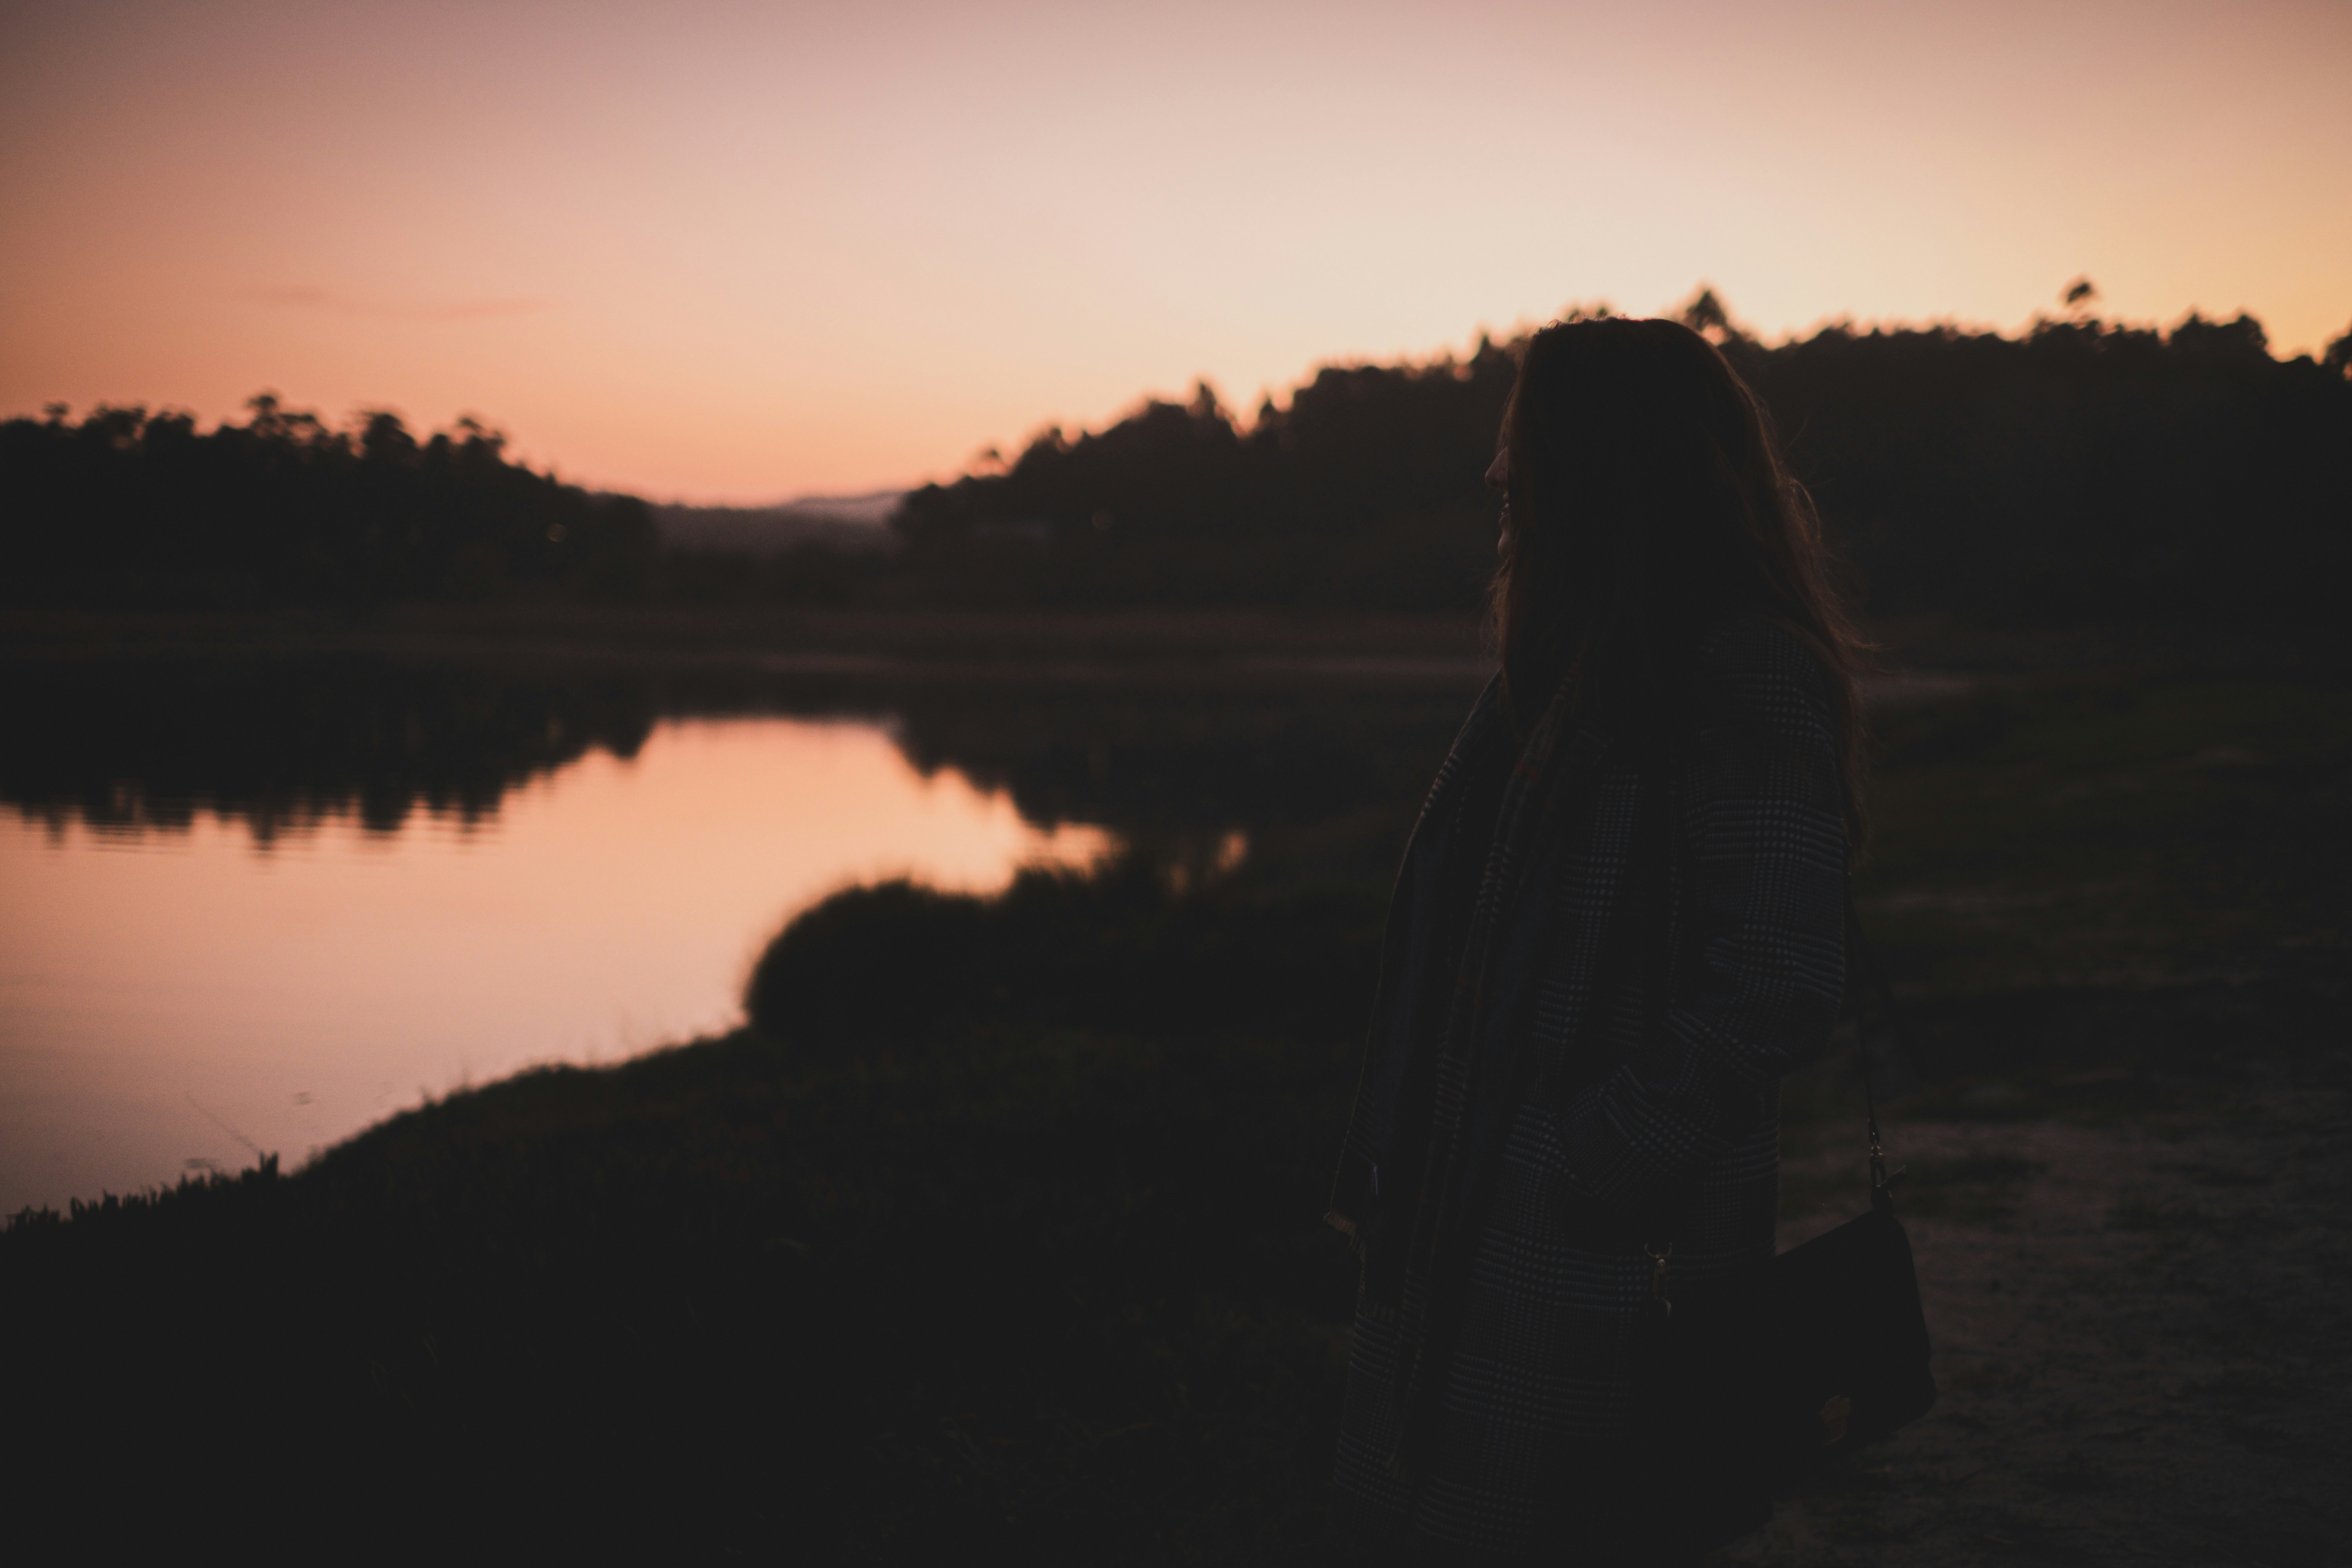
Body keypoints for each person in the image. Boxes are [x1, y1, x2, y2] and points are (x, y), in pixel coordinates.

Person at [1324, 316, 1869, 1562]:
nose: (1496, 477)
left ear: (1607, 468)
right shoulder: (1575, 667)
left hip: (1603, 1252)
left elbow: (1781, 976)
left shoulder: (1741, 671)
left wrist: (1592, 1158)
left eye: (1524, 446)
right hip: (1473, 1229)